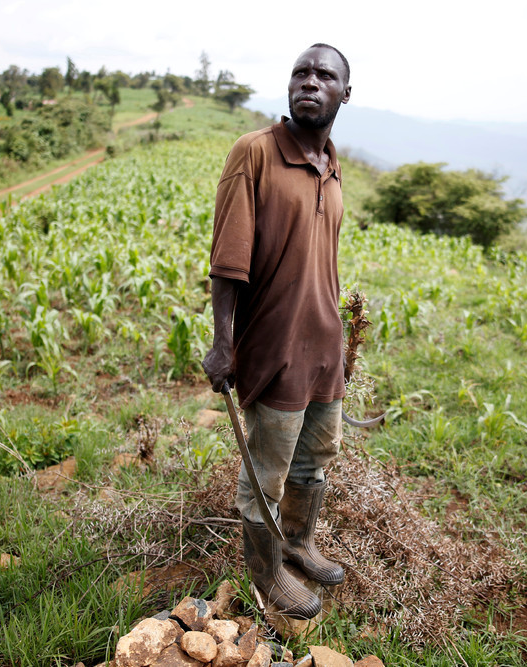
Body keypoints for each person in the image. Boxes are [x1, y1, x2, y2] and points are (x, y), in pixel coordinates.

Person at [202, 43, 352, 620]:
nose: (310, 82)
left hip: (324, 349)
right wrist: (223, 343)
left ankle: (298, 543)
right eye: (301, 72)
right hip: (276, 347)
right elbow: (228, 261)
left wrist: (342, 342)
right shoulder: (255, 153)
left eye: (324, 75)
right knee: (265, 475)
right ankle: (266, 579)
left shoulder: (332, 162)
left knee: (316, 460)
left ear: (345, 92)